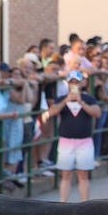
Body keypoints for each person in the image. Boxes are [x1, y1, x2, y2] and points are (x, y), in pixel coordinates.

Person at [42, 71, 101, 202]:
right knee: (66, 174)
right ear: (68, 84)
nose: (74, 84)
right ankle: (63, 203)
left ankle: (85, 204)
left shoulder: (88, 98)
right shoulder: (61, 98)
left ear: (82, 83)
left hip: (84, 141)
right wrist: (66, 101)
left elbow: (97, 113)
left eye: (77, 82)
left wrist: (81, 102)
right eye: (72, 82)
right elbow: (51, 112)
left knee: (83, 174)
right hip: (66, 141)